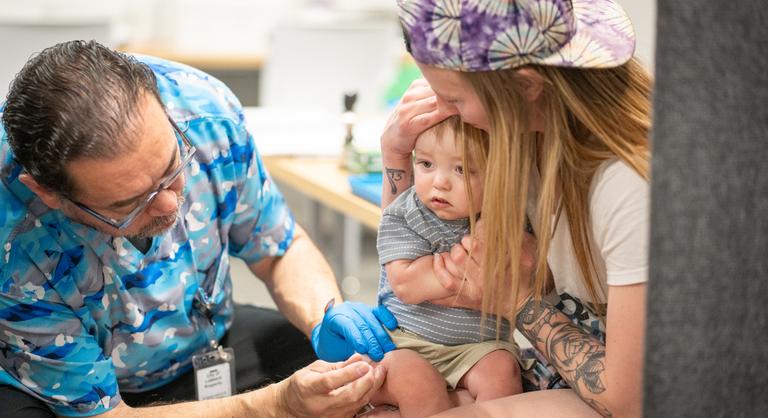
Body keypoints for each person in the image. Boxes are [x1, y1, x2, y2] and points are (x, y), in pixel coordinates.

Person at [0, 40, 398, 418]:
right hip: (65, 387)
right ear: (49, 193)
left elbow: (280, 248)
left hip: (205, 337)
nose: (170, 205)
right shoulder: (12, 240)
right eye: (128, 204)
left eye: (173, 167)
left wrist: (326, 321)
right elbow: (105, 414)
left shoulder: (204, 111)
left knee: (348, 378)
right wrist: (279, 405)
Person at [380, 0, 651, 416]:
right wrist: (396, 155)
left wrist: (518, 299)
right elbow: (410, 238)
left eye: (452, 97)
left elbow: (627, 398)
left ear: (527, 87)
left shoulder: (627, 182)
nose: (443, 112)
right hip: (551, 368)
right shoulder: (521, 136)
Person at [372, 117, 522, 417]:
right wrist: (476, 266)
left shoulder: (506, 219)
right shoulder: (404, 213)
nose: (439, 182)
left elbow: (517, 279)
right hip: (407, 341)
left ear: (497, 177)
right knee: (416, 381)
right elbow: (407, 285)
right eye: (426, 164)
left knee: (503, 372)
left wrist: (438, 269)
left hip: (478, 346)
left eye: (461, 169)